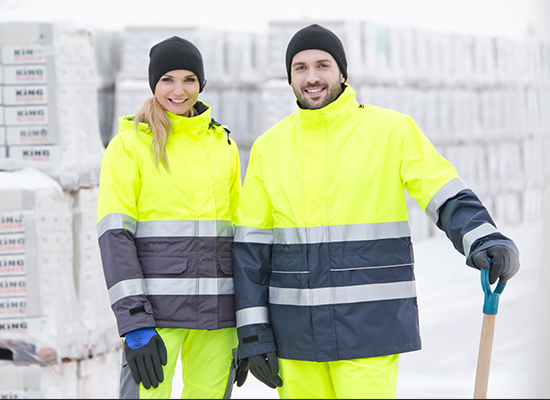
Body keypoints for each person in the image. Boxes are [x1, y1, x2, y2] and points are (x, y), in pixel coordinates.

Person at [231, 24, 520, 399]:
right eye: (300, 68)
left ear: (343, 73)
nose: (312, 77)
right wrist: (253, 332)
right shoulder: (269, 148)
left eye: (322, 65)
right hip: (296, 338)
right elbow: (250, 249)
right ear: (289, 77)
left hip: (369, 331)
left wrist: (485, 238)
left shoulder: (390, 131)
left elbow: (443, 193)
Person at [97, 36, 246, 399]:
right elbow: (115, 237)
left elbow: (240, 237)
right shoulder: (130, 146)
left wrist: (248, 322)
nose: (179, 90)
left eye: (189, 79)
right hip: (155, 320)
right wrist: (135, 323)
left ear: (202, 84)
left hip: (219, 318)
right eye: (168, 79)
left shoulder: (223, 145)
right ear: (154, 83)